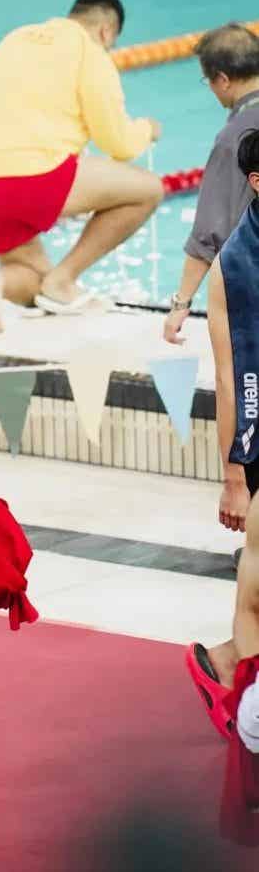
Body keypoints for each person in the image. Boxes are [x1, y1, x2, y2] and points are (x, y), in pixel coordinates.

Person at [0, 0, 163, 331]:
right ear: (106, 31)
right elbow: (118, 143)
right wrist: (147, 130)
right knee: (149, 189)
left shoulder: (17, 38)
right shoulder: (90, 52)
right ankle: (65, 278)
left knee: (36, 284)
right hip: (30, 174)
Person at [186, 130, 259, 735]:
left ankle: (227, 662)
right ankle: (234, 672)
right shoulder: (233, 268)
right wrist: (234, 475)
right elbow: (231, 378)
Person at [164, 23, 259, 346]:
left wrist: (180, 304)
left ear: (223, 79)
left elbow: (210, 233)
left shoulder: (235, 138)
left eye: (209, 82)